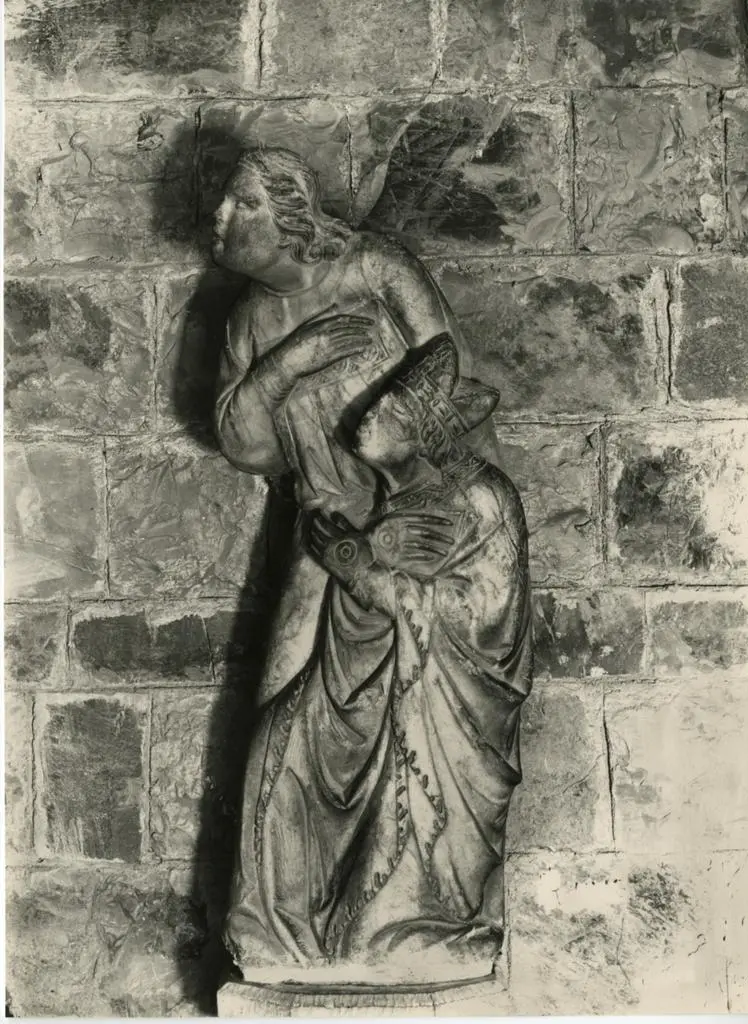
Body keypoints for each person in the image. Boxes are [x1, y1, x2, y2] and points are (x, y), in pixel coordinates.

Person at [211, 147, 528, 985]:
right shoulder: (250, 319)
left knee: (411, 718)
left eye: (239, 204)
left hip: (417, 522)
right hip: (323, 531)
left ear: (288, 214)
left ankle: (402, 920)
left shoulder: (374, 266)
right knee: (285, 723)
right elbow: (243, 443)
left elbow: (443, 369)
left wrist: (402, 512)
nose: (220, 221)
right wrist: (292, 360)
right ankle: (285, 930)